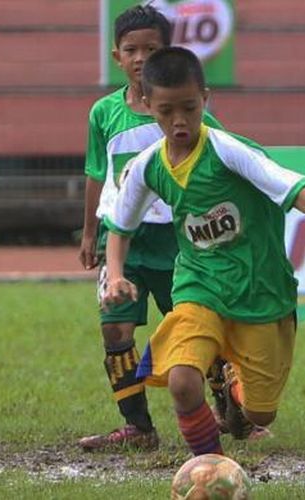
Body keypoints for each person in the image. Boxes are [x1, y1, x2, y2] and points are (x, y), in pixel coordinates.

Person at [102, 46, 305, 456]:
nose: (179, 122)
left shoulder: (228, 150)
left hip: (260, 291)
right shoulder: (147, 166)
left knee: (260, 415)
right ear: (147, 105)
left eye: (189, 109)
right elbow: (120, 226)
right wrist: (117, 274)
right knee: (181, 379)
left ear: (205, 99)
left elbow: (290, 187)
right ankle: (209, 464)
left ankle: (235, 395)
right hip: (200, 285)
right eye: (166, 111)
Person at [78, 5, 227, 451]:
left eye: (151, 49)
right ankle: (138, 428)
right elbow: (94, 173)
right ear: (116, 57)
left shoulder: (187, 113)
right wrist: (88, 234)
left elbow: (223, 160)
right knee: (115, 330)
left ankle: (229, 407)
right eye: (131, 50)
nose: (141, 57)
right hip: (120, 239)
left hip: (177, 242)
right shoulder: (104, 114)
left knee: (195, 327)